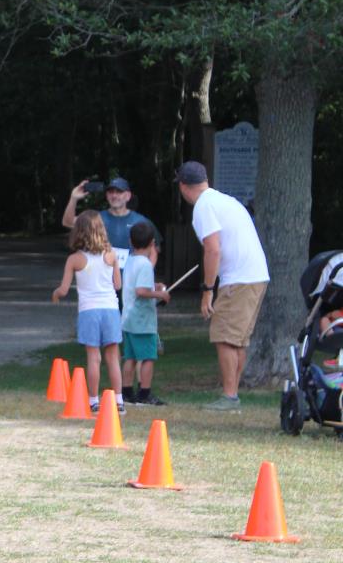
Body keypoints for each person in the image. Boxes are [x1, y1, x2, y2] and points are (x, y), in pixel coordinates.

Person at [175, 160, 270, 410]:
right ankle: (232, 394)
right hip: (254, 275)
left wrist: (207, 290)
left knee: (224, 336)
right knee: (236, 339)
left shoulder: (204, 207)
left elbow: (213, 249)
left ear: (183, 186)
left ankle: (229, 397)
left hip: (239, 278)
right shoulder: (225, 200)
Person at [52, 209, 124, 414]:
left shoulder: (74, 259)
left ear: (78, 232)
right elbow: (117, 285)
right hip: (110, 309)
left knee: (94, 358)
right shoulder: (111, 255)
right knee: (113, 357)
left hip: (89, 311)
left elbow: (64, 289)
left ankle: (93, 401)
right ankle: (119, 401)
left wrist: (56, 294)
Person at [62, 176, 160, 274]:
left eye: (119, 192)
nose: (114, 195)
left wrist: (145, 275)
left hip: (130, 280)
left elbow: (153, 251)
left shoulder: (141, 221)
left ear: (128, 196)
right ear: (107, 195)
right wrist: (73, 198)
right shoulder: (97, 218)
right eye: (111, 192)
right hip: (102, 280)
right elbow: (67, 222)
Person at [121, 221, 170, 406]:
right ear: (152, 243)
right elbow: (141, 291)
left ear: (130, 241)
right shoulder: (145, 265)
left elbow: (136, 285)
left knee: (131, 357)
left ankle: (126, 392)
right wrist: (161, 294)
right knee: (148, 357)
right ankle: (144, 394)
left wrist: (154, 286)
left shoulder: (130, 261)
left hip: (128, 318)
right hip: (142, 320)